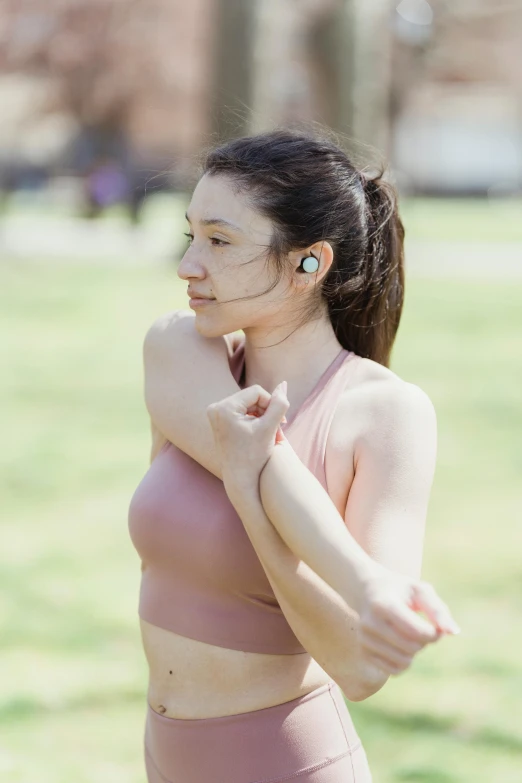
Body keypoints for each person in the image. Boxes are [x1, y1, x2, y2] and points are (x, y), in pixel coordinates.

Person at [128, 129, 460, 783]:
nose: (188, 264)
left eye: (219, 241)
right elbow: (254, 457)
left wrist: (254, 506)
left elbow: (362, 668)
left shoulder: (386, 414)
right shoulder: (179, 351)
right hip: (165, 760)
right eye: (191, 233)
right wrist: (366, 584)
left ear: (310, 263)